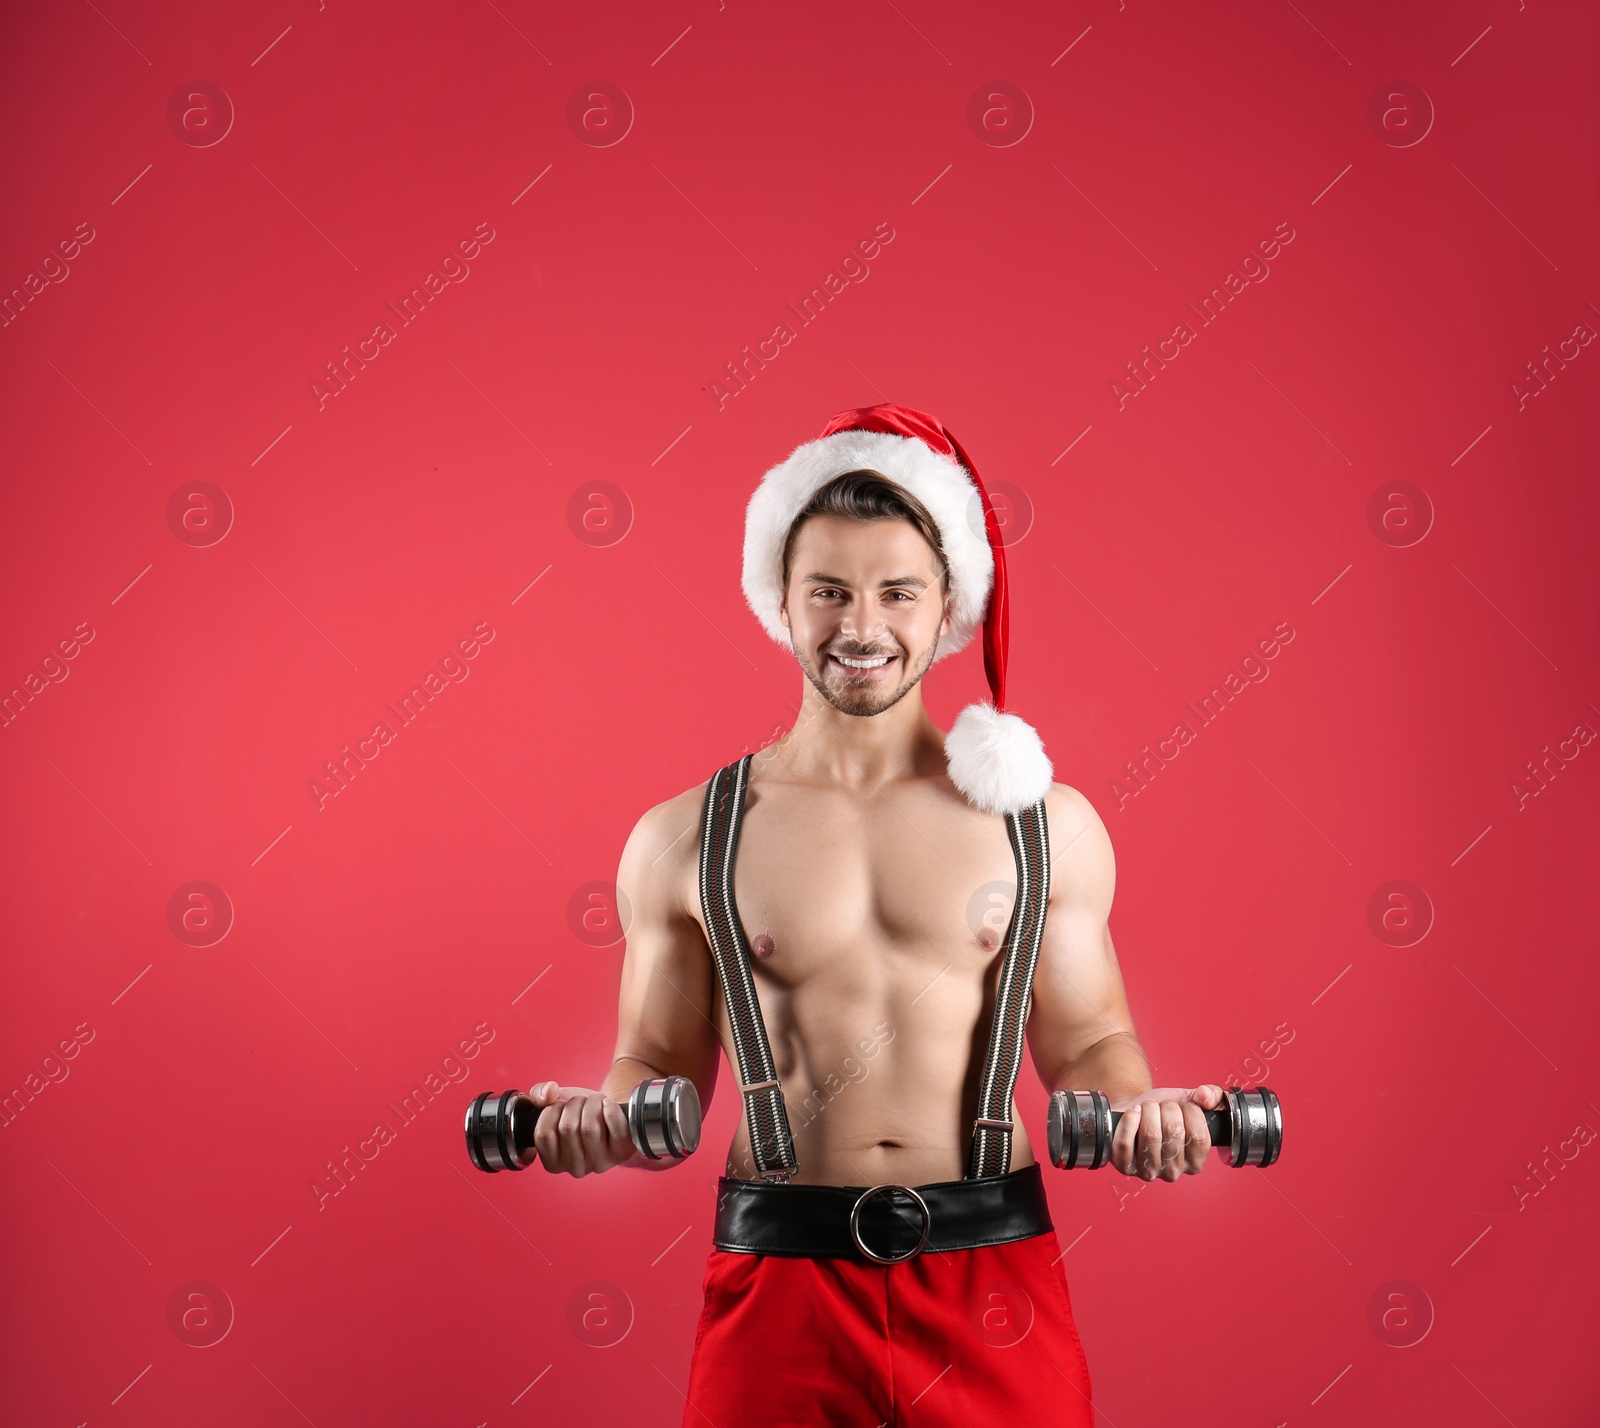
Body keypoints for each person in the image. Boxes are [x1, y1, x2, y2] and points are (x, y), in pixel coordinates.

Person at [528, 403, 1225, 1426]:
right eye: (829, 593)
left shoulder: (1042, 828)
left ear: (949, 607)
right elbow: (656, 1065)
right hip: (780, 1293)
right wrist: (598, 1117)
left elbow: (1091, 1040)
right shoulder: (682, 838)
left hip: (991, 1286)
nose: (862, 628)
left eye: (898, 592)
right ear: (781, 601)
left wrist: (1136, 1109)